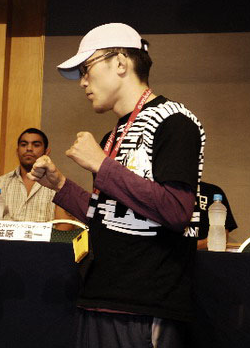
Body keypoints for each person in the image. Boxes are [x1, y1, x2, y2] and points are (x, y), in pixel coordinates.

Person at [28, 23, 205, 347]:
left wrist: (101, 164)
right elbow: (107, 216)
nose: (83, 82)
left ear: (121, 63)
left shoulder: (175, 121)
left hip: (145, 304)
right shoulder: (113, 136)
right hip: (100, 295)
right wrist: (61, 185)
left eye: (87, 69)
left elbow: (177, 211)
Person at [0, 128, 74, 228]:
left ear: (46, 152)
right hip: (4, 243)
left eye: (36, 145)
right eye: (24, 144)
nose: (29, 148)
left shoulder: (59, 186)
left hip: (45, 243)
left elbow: (65, 226)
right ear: (17, 151)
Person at [190, 181, 238, 250]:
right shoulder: (170, 191)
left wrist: (189, 247)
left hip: (207, 253)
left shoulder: (212, 191)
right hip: (172, 255)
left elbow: (222, 235)